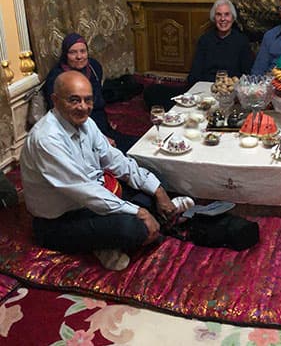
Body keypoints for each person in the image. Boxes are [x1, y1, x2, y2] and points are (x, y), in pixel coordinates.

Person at [21, 71, 193, 270]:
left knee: (157, 178)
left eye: (88, 100)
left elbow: (116, 160)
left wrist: (158, 191)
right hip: (60, 221)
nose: (83, 107)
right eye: (74, 100)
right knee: (132, 228)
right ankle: (104, 242)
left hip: (92, 201)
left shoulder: (86, 123)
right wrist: (140, 212)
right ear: (55, 100)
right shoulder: (47, 140)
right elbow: (86, 191)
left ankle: (108, 239)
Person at [143, 0, 254, 109]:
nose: (223, 19)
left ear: (233, 18)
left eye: (227, 14)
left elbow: (247, 74)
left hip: (229, 92)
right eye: (219, 15)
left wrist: (232, 89)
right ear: (214, 18)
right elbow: (195, 72)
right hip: (204, 89)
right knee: (152, 91)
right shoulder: (205, 39)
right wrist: (194, 92)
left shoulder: (241, 41)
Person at [44, 33, 138, 153]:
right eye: (73, 52)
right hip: (79, 133)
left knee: (140, 146)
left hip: (99, 124)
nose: (79, 56)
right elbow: (64, 118)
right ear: (65, 55)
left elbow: (97, 100)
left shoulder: (94, 67)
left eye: (83, 51)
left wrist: (105, 126)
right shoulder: (58, 79)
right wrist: (99, 138)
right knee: (127, 155)